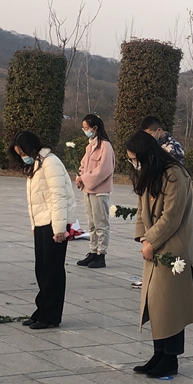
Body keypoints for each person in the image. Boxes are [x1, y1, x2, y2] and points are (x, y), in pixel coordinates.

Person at [127, 130, 193, 378]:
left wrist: (152, 242)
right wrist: (143, 238)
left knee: (171, 304)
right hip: (154, 245)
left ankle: (171, 358)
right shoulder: (150, 172)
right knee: (155, 303)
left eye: (135, 158)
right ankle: (158, 353)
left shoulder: (174, 174)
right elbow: (141, 210)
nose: (133, 163)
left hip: (173, 246)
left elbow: (171, 217)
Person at [10, 131, 78, 329]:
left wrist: (59, 229)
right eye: (20, 154)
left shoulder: (50, 162)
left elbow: (58, 196)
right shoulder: (36, 164)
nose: (23, 157)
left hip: (54, 223)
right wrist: (34, 225)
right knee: (41, 269)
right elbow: (35, 199)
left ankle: (51, 316)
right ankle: (42, 310)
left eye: (23, 153)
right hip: (41, 222)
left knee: (52, 270)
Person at [75, 114, 116, 269]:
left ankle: (101, 254)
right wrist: (79, 177)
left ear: (95, 128)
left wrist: (85, 178)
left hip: (100, 191)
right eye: (84, 128)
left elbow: (104, 169)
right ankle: (93, 251)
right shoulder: (90, 146)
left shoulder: (105, 146)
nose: (85, 130)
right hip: (88, 190)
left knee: (101, 224)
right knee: (91, 223)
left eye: (87, 128)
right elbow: (83, 165)